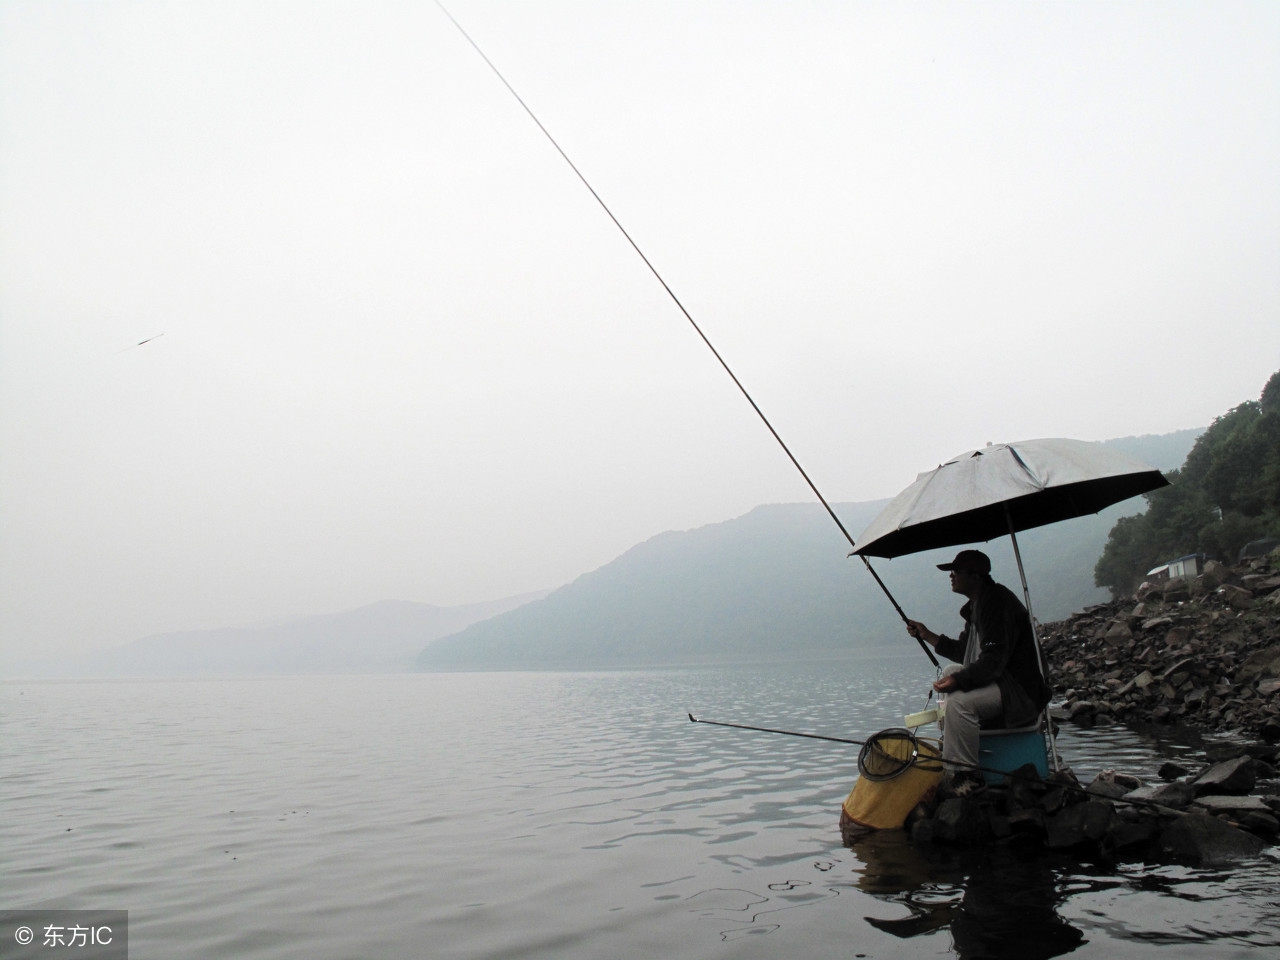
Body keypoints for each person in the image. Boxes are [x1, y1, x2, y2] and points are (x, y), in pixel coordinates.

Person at [905, 549, 1051, 797]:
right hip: (1004, 681)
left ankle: (966, 774)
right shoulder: (979, 605)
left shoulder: (996, 604)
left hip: (1020, 691)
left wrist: (958, 681)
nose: (951, 576)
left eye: (956, 571)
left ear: (975, 576)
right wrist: (927, 634)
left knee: (959, 702)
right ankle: (957, 756)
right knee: (952, 671)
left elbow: (994, 660)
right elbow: (965, 652)